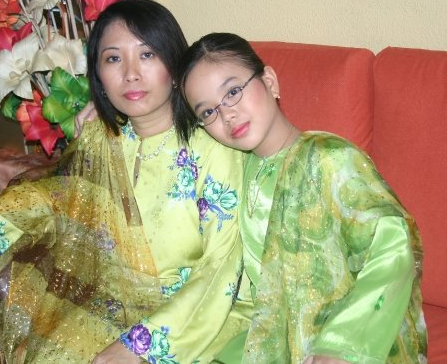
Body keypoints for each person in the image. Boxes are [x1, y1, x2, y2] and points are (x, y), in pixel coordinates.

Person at [0, 0, 245, 364]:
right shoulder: (101, 136)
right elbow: (57, 195)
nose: (130, 74)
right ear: (98, 75)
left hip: (191, 320)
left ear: (175, 67)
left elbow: (220, 267)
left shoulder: (213, 149)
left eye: (147, 55)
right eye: (113, 58)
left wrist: (139, 346)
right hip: (108, 304)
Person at [178, 33, 427, 363]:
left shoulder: (328, 158)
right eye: (208, 111)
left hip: (345, 338)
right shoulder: (232, 171)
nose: (227, 115)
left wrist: (340, 345)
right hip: (267, 337)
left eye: (233, 92)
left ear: (269, 81)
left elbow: (393, 247)